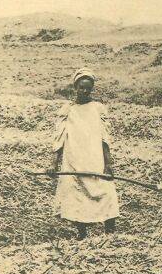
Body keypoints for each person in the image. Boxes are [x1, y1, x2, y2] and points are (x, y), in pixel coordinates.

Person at [48, 69, 118, 240]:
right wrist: (53, 163)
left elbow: (104, 139)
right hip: (74, 160)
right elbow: (59, 140)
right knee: (77, 196)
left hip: (95, 160)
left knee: (107, 193)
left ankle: (110, 234)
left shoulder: (98, 109)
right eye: (82, 88)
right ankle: (82, 234)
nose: (85, 91)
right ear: (75, 87)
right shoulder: (68, 110)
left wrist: (108, 164)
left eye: (89, 88)